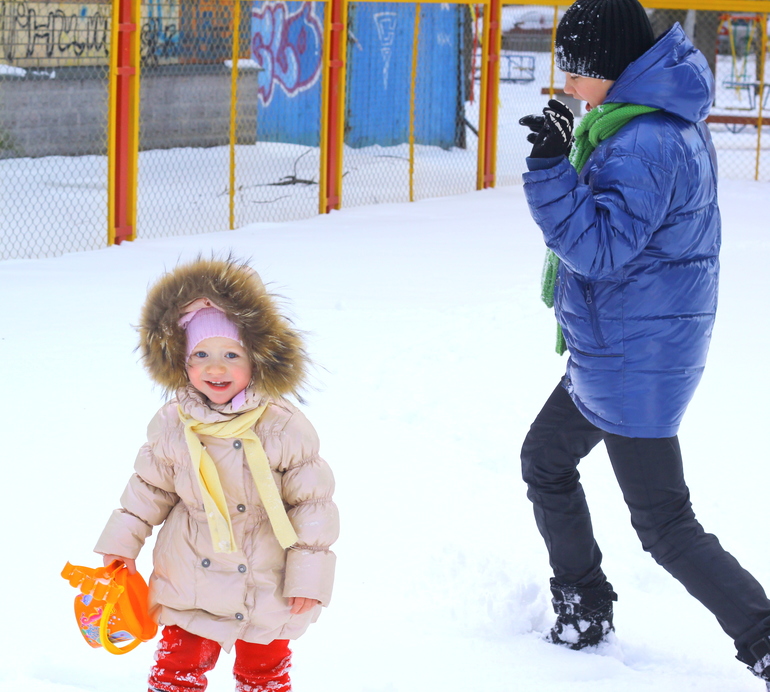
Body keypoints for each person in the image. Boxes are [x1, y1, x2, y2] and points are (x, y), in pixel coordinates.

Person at [518, 0, 770, 685]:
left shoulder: (646, 140)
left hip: (635, 355)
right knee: (546, 458)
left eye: (575, 70)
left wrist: (548, 171)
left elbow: (599, 248)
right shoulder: (643, 121)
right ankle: (583, 607)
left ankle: (763, 635)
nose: (567, 83)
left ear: (610, 68)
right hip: (627, 343)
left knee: (663, 523)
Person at [94, 257, 339, 692]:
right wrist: (120, 546)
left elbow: (313, 507)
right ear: (181, 363)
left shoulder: (281, 425)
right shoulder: (173, 423)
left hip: (266, 576)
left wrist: (308, 578)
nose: (216, 368)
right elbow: (147, 490)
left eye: (231, 354)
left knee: (263, 673)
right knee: (176, 671)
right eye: (201, 355)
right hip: (190, 570)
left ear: (257, 360)